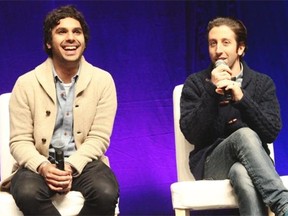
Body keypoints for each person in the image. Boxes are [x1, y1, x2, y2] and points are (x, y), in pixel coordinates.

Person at [0, 5, 119, 215]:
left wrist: (71, 166)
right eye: (61, 32)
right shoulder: (25, 83)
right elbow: (19, 141)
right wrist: (44, 167)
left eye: (77, 32)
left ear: (84, 40)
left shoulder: (103, 81)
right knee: (27, 192)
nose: (71, 38)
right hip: (38, 164)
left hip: (84, 162)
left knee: (106, 191)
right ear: (49, 42)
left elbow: (99, 137)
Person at [180, 17, 288, 216]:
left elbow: (271, 132)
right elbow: (192, 135)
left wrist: (242, 98)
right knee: (243, 134)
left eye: (225, 42)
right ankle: (283, 205)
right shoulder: (195, 83)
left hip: (254, 162)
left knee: (242, 173)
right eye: (213, 43)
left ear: (240, 48)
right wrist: (211, 91)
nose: (218, 49)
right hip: (211, 163)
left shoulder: (262, 83)